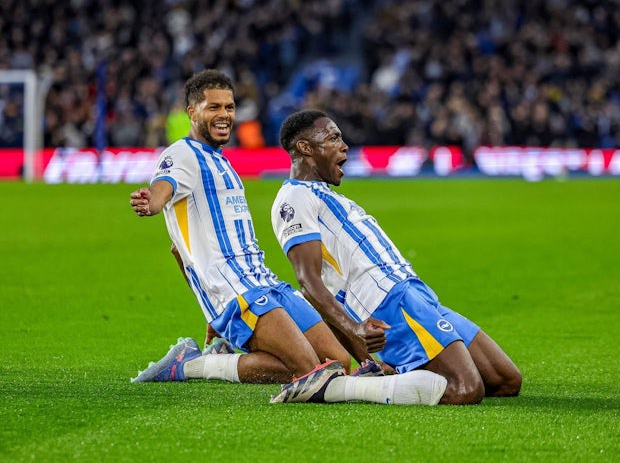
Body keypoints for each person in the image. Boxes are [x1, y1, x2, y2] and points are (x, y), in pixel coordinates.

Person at [128, 69, 448, 405]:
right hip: (238, 293)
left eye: (229, 107)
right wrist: (154, 200)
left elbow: (179, 249)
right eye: (213, 107)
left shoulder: (224, 164)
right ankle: (194, 365)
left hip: (266, 282)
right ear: (192, 112)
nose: (224, 115)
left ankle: (204, 359)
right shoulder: (181, 155)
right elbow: (163, 188)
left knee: (337, 363)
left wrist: (210, 319)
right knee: (311, 370)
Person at [271, 109, 523, 405]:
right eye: (333, 137)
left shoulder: (326, 195)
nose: (344, 145)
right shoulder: (293, 198)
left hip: (415, 293)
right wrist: (355, 329)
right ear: (305, 148)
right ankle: (340, 389)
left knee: (506, 380)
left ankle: (391, 374)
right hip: (387, 300)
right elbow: (308, 281)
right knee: (466, 388)